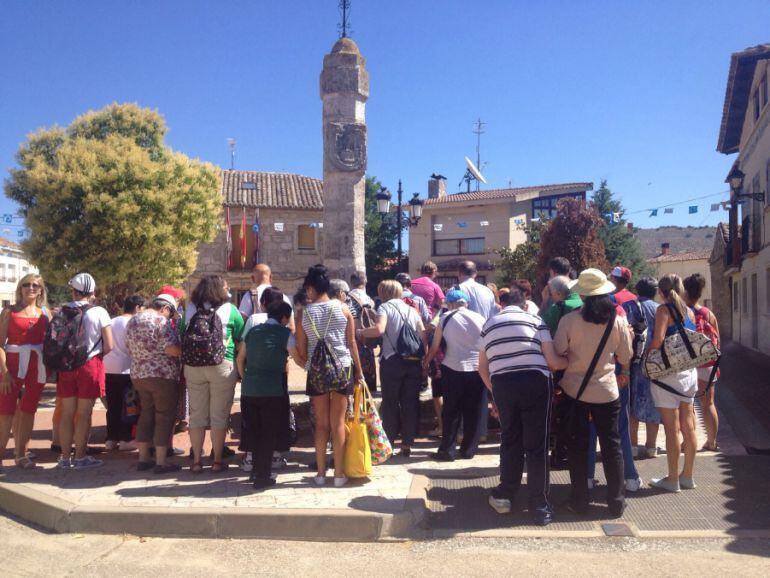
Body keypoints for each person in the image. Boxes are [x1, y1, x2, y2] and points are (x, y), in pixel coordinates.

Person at [478, 284, 568, 526]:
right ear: (524, 304)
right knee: (537, 445)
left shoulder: (489, 324)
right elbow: (551, 361)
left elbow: (482, 367)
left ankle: (506, 495)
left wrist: (494, 390)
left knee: (510, 439)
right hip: (536, 382)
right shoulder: (535, 321)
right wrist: (567, 360)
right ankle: (539, 505)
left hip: (504, 384)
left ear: (504, 304)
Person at [553, 269, 633, 517]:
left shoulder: (569, 321)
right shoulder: (617, 321)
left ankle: (579, 501)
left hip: (575, 391)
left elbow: (558, 351)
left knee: (578, 447)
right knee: (612, 446)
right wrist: (625, 373)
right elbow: (626, 356)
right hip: (607, 392)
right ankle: (616, 500)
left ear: (584, 295)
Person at [295, 265, 363, 487]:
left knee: (321, 425)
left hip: (317, 371)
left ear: (311, 289)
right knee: (338, 423)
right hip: (342, 367)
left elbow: (302, 351)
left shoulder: (304, 313)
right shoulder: (343, 309)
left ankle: (321, 473)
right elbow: (352, 343)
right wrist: (359, 372)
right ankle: (339, 474)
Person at [181, 275, 244, 473]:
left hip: (193, 366)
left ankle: (196, 462)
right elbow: (241, 337)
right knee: (219, 415)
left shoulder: (190, 309)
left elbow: (182, 333)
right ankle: (217, 461)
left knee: (197, 416)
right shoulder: (230, 310)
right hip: (222, 364)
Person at [358, 280, 427, 458]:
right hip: (413, 361)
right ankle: (407, 443)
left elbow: (379, 330)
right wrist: (424, 359)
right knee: (410, 403)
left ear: (382, 292)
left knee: (390, 403)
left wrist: (360, 332)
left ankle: (388, 441)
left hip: (392, 361)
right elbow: (422, 334)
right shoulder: (411, 309)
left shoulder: (385, 308)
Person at [55, 273, 113, 470]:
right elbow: (109, 345)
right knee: (84, 413)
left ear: (73, 291)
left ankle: (64, 457)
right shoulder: (99, 312)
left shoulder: (62, 311)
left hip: (66, 366)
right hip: (90, 365)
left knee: (67, 413)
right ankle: (80, 456)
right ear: (93, 292)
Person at [647, 274, 699, 493]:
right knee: (688, 425)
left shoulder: (663, 310)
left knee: (671, 429)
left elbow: (658, 340)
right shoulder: (690, 312)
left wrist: (648, 355)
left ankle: (672, 479)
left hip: (668, 375)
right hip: (688, 373)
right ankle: (687, 476)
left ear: (661, 291)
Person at [236, 300, 293, 490]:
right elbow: (297, 356)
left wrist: (245, 378)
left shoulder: (253, 332)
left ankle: (254, 470)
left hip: (250, 388)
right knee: (268, 433)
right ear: (284, 317)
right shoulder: (284, 334)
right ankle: (262, 476)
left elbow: (240, 358)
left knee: (253, 430)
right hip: (272, 389)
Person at [423, 289, 486, 461]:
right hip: (476, 369)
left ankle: (447, 450)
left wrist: (426, 361)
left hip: (452, 368)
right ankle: (468, 450)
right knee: (473, 411)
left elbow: (435, 347)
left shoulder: (445, 318)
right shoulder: (480, 318)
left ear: (450, 304)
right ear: (466, 303)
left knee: (451, 411)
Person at [125, 294, 182, 473]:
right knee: (164, 416)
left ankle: (143, 458)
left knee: (146, 413)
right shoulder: (160, 321)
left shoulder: (133, 321)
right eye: (170, 313)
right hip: (161, 374)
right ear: (165, 308)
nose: (169, 318)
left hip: (138, 374)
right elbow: (171, 349)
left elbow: (127, 347)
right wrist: (181, 350)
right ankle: (161, 461)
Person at [0, 274, 49, 470]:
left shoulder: (44, 313)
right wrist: (4, 372)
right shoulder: (9, 312)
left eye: (35, 285)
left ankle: (21, 455)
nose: (31, 288)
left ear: (40, 290)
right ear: (20, 288)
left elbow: (49, 343)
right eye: (26, 284)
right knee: (5, 412)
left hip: (36, 366)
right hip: (11, 365)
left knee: (29, 411)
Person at [683, 273, 720, 452]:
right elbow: (717, 342)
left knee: (689, 404)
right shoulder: (708, 313)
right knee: (709, 403)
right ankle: (712, 442)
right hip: (708, 364)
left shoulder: (683, 313)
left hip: (688, 365)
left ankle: (688, 442)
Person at [103, 295, 145, 452]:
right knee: (129, 405)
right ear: (137, 308)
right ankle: (126, 438)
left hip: (109, 368)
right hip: (127, 369)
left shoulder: (112, 321)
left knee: (112, 405)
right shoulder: (134, 323)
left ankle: (111, 438)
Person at [628, 277, 661, 459]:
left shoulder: (630, 307)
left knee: (633, 405)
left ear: (637, 290)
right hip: (655, 363)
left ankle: (633, 446)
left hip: (634, 362)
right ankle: (651, 447)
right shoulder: (660, 310)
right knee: (653, 403)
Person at [347, 271, 377, 394]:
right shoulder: (369, 299)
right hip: (367, 339)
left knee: (355, 374)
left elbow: (351, 319)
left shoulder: (348, 298)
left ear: (351, 282)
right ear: (365, 281)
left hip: (355, 339)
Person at [238, 263, 294, 329]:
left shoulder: (249, 296)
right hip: (280, 337)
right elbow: (292, 326)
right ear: (271, 277)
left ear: (252, 278)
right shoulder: (284, 297)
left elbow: (241, 323)